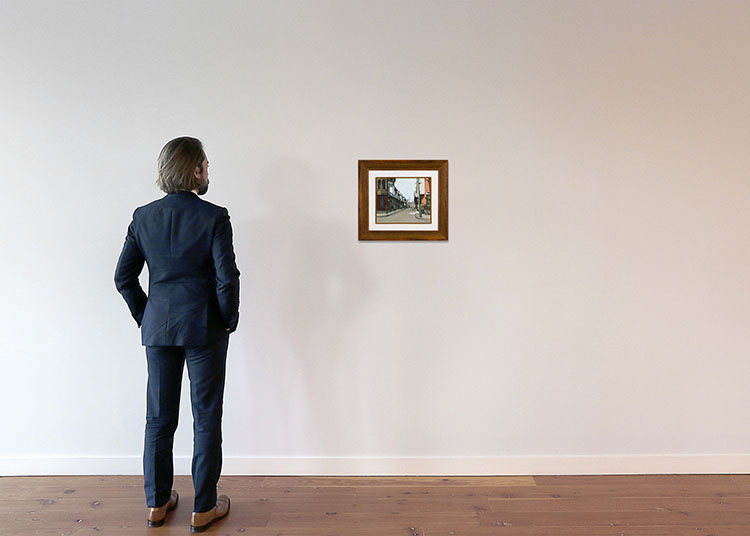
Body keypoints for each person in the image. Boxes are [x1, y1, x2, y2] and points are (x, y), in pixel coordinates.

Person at [114, 137, 240, 532]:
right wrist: (227, 320)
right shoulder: (214, 216)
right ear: (196, 168)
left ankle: (157, 503)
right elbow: (226, 278)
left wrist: (146, 315)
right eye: (206, 164)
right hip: (204, 329)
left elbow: (123, 277)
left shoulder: (143, 216)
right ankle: (203, 507)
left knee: (158, 418)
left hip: (159, 328)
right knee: (205, 418)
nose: (208, 170)